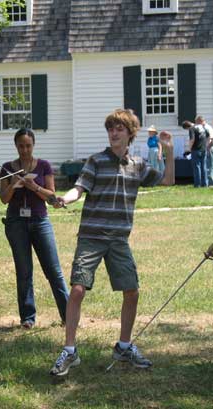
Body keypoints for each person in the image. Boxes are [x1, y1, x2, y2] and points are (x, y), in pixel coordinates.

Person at [49, 109, 172, 377]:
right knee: (78, 289)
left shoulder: (137, 165)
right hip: (91, 236)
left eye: (119, 129)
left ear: (130, 133)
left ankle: (124, 346)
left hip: (118, 239)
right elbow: (79, 189)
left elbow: (167, 179)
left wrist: (169, 150)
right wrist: (66, 199)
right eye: (110, 129)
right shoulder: (96, 161)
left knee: (132, 291)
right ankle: (69, 351)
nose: (113, 133)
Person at [0, 128, 69, 329]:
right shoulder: (7, 168)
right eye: (21, 146)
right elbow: (4, 199)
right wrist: (13, 184)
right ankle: (28, 318)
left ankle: (68, 315)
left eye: (28, 145)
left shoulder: (44, 166)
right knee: (24, 271)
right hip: (16, 223)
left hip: (40, 221)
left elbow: (52, 196)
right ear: (16, 146)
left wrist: (34, 187)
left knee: (53, 270)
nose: (24, 149)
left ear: (33, 145)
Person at [182, 118, 209, 187]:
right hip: (204, 149)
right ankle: (205, 184)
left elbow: (192, 139)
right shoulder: (201, 127)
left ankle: (197, 184)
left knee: (197, 167)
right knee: (204, 167)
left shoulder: (192, 129)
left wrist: (189, 148)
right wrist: (206, 146)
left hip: (195, 150)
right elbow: (208, 136)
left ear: (187, 127)